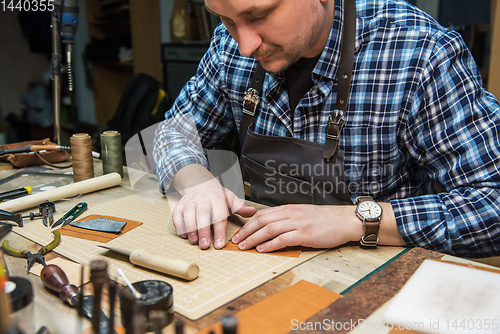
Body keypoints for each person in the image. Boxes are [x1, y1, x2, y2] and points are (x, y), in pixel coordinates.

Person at [153, 0, 500, 258]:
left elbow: (493, 203)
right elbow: (175, 130)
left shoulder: (420, 53)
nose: (246, 45)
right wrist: (196, 181)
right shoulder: (230, 46)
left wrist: (355, 221)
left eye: (259, 16)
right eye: (226, 19)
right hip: (257, 261)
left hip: (370, 277)